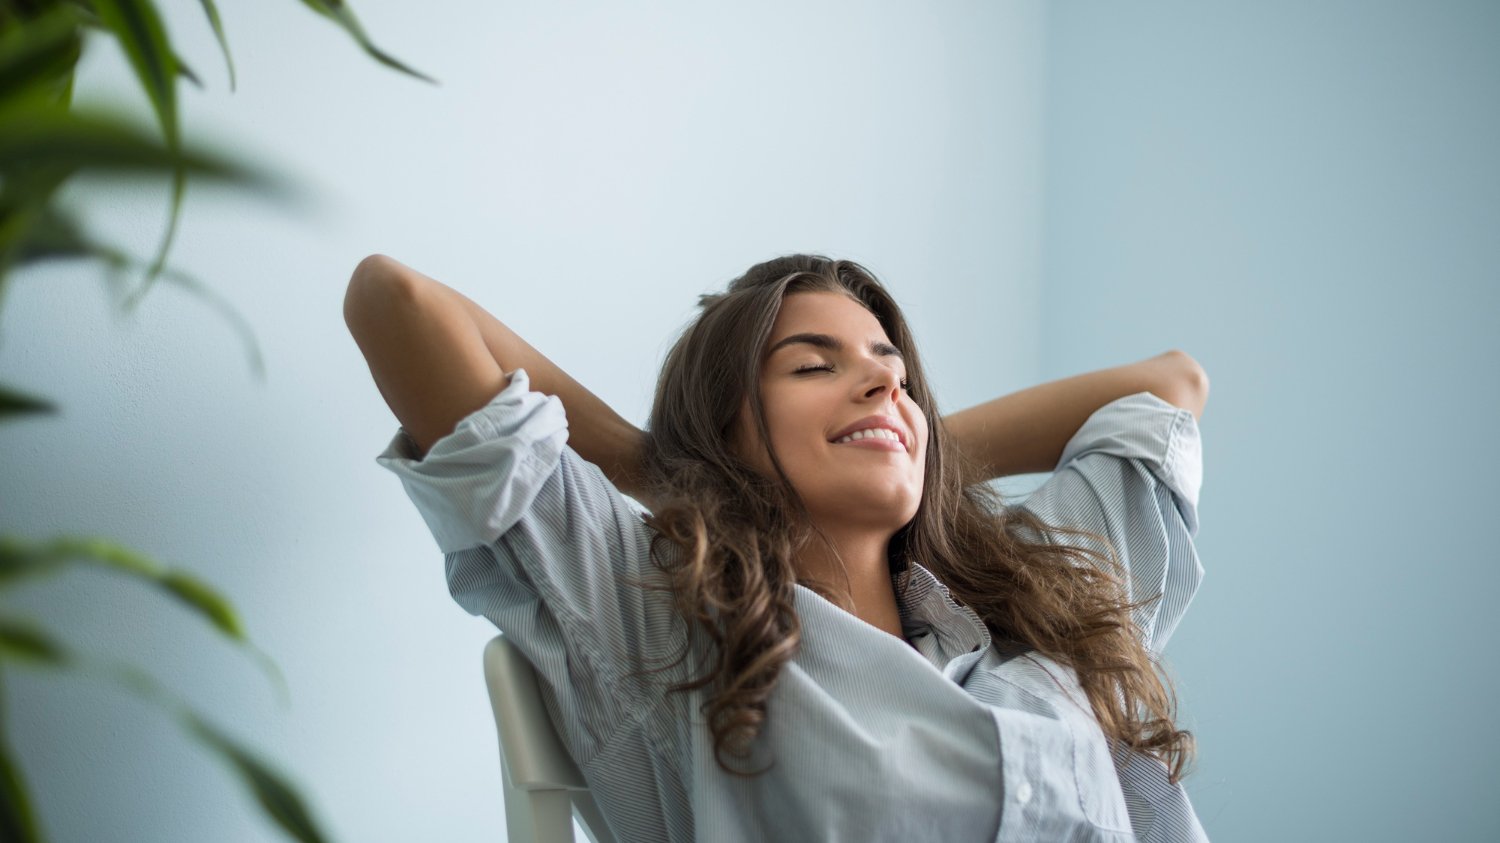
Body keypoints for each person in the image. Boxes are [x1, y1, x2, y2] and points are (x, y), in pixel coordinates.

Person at [345, 252, 1212, 842]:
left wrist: (909, 437)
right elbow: (398, 303)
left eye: (895, 374)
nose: (885, 381)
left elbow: (1171, 387)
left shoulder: (1037, 607)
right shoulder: (663, 616)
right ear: (725, 427)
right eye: (813, 366)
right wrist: (664, 465)